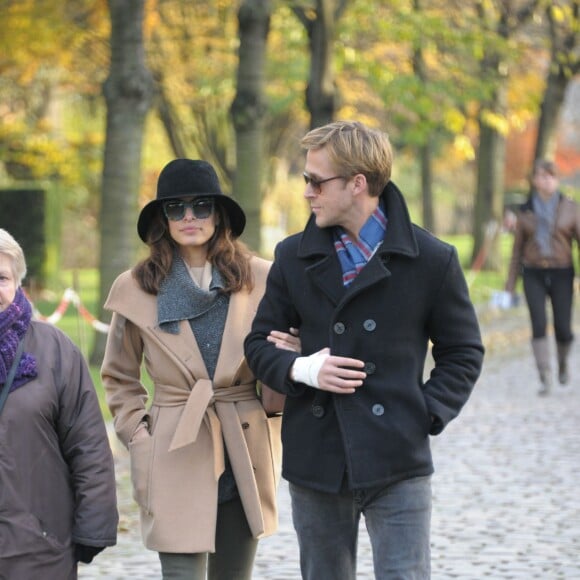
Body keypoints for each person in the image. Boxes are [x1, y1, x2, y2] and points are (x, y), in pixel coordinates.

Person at [244, 121, 484, 579]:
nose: (307, 192)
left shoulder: (432, 259)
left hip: (397, 457)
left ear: (357, 184)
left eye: (316, 181)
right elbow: (258, 345)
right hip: (317, 457)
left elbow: (464, 351)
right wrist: (303, 369)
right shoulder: (293, 257)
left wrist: (424, 412)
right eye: (305, 180)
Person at [100, 158, 299, 580]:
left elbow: (282, 355)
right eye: (176, 208)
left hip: (243, 444)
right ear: (162, 219)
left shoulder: (261, 279)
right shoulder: (136, 287)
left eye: (201, 206)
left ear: (219, 214)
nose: (189, 217)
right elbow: (119, 376)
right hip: (173, 445)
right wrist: (138, 434)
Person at [0, 229, 118, 579]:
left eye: (1, 277)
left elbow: (88, 446)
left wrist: (92, 526)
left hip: (37, 548)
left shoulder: (54, 350)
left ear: (19, 283)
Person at [505, 159, 580, 395]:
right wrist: (510, 284)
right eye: (541, 176)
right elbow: (517, 249)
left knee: (563, 327)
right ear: (535, 180)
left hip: (562, 272)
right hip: (533, 273)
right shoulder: (525, 211)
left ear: (556, 180)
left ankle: (563, 363)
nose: (545, 180)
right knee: (538, 324)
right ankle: (544, 375)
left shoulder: (571, 208)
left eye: (550, 176)